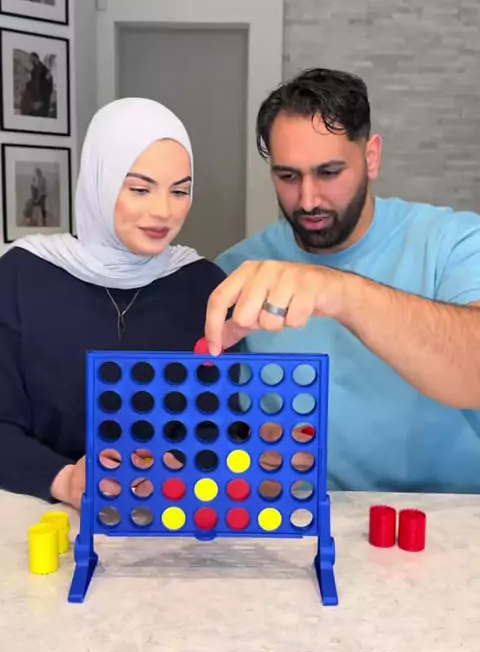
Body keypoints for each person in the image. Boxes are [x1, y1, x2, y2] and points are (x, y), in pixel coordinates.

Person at [212, 68, 480, 494]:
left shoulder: (455, 242)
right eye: (288, 176)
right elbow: (218, 428)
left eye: (329, 172)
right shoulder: (237, 273)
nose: (308, 200)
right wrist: (245, 449)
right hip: (310, 515)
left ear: (371, 157)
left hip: (450, 518)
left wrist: (337, 290)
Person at [0, 97, 228, 509]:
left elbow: (219, 429)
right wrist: (65, 480)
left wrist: (180, 468)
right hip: (42, 520)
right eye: (140, 189)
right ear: (99, 183)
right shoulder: (20, 276)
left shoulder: (206, 287)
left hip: (170, 519)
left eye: (180, 191)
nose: (163, 211)